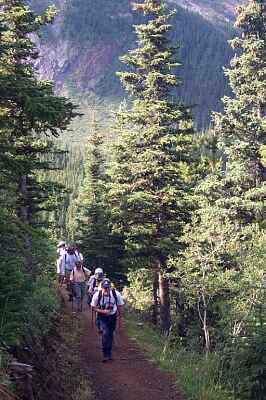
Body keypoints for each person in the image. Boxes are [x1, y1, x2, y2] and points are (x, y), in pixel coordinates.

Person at [91, 278, 124, 362]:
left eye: (107, 288)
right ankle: (106, 354)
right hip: (102, 317)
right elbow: (93, 307)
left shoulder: (116, 294)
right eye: (104, 288)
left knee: (110, 333)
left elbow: (120, 307)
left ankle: (109, 350)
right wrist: (102, 311)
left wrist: (120, 320)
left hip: (112, 316)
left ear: (110, 288)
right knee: (105, 334)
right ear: (101, 288)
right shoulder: (97, 295)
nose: (106, 289)